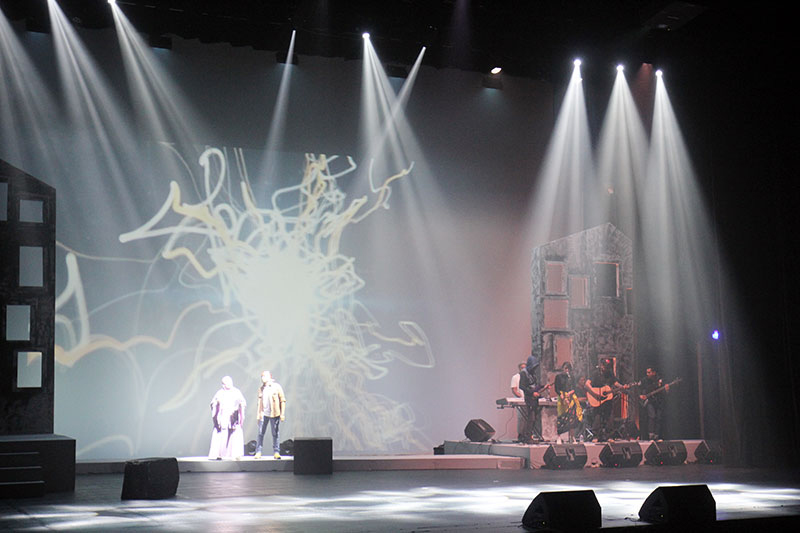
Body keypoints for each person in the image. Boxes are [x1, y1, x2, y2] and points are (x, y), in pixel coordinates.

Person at [584, 358, 627, 441]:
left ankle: (609, 436)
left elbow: (615, 383)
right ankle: (596, 436)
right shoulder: (595, 374)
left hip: (607, 400)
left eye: (607, 367)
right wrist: (595, 393)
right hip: (596, 398)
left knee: (609, 416)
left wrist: (622, 387)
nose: (605, 368)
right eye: (604, 366)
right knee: (597, 416)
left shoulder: (610, 374)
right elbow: (587, 384)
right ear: (601, 365)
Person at [208, 376, 247, 460]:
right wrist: (215, 404)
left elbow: (242, 402)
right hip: (223, 416)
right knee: (222, 435)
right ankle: (220, 454)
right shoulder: (220, 393)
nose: (228, 384)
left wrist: (240, 407)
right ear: (223, 384)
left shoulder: (236, 392)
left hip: (234, 417)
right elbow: (213, 403)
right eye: (225, 383)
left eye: (229, 382)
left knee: (235, 435)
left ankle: (235, 454)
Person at [255, 370, 286, 459]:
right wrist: (258, 415)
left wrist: (282, 414)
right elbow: (259, 403)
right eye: (262, 376)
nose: (262, 378)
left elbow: (282, 400)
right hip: (263, 413)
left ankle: (276, 451)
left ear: (270, 377)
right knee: (260, 433)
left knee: (275, 433)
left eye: (264, 376)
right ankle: (258, 451)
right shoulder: (261, 389)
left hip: (274, 414)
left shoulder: (276, 387)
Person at [518, 355, 546, 444]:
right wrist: (531, 393)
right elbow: (522, 386)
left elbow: (534, 385)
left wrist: (542, 387)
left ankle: (529, 436)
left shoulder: (532, 374)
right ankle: (527, 437)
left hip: (534, 399)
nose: (535, 368)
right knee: (531, 418)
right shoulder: (523, 373)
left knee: (534, 418)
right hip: (529, 398)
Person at [554, 362, 583, 441]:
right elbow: (557, 388)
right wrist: (562, 395)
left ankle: (572, 436)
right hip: (562, 397)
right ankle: (559, 437)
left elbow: (574, 388)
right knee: (561, 417)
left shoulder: (571, 377)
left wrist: (571, 392)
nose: (566, 370)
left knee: (572, 417)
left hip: (570, 397)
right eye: (565, 368)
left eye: (568, 369)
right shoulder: (558, 377)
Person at [639, 367, 669, 440]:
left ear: (654, 373)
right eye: (647, 372)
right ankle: (651, 435)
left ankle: (656, 435)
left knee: (659, 418)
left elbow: (664, 392)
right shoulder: (644, 380)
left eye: (649, 372)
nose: (647, 374)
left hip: (658, 401)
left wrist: (667, 390)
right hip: (649, 401)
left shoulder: (660, 380)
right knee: (652, 416)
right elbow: (640, 389)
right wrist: (641, 395)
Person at [510, 362, 527, 441]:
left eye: (525, 368)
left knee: (529, 418)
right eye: (522, 368)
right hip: (520, 400)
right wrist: (521, 397)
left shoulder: (528, 377)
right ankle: (520, 435)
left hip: (528, 400)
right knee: (521, 418)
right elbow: (514, 389)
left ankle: (528, 434)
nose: (523, 369)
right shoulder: (515, 377)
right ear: (519, 369)